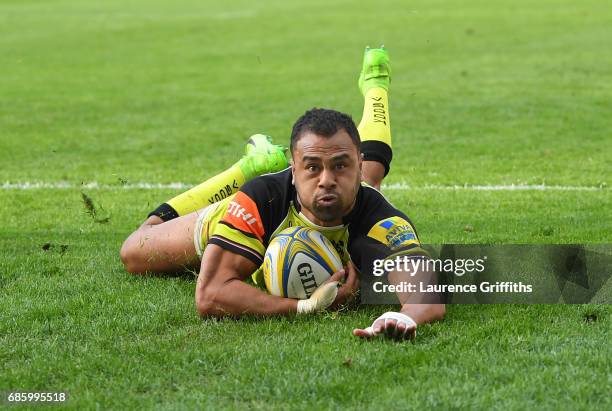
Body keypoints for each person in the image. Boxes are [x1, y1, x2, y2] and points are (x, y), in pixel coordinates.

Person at [120, 47, 445, 340]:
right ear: (293, 168)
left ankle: (376, 84)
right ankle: (249, 166)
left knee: (368, 186)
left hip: (359, 197)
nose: (326, 179)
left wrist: (400, 317)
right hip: (240, 216)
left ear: (355, 166)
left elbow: (426, 298)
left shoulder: (381, 220)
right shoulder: (261, 201)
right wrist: (304, 307)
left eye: (341, 166)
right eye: (312, 167)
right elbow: (211, 295)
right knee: (136, 252)